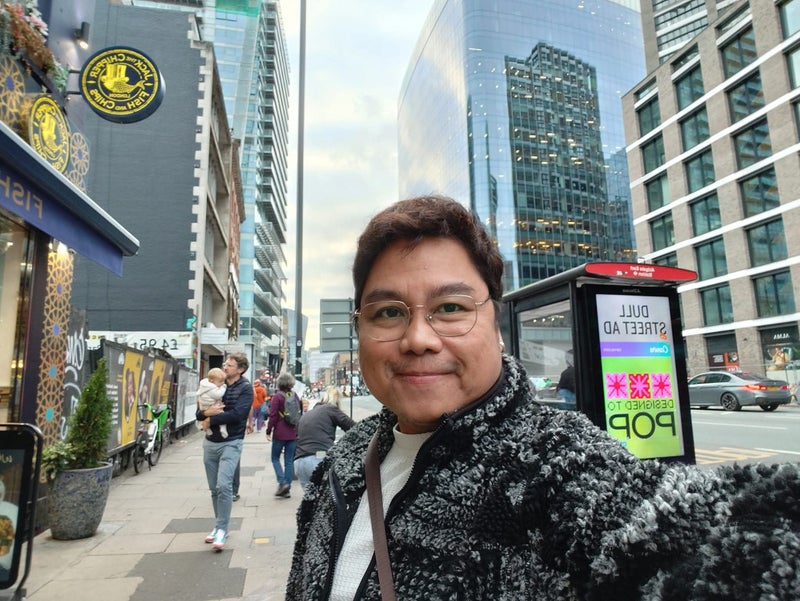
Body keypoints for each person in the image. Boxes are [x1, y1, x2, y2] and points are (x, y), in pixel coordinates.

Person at [285, 195, 800, 600]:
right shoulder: (347, 459)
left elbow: (708, 546)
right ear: (360, 330)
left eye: (451, 307)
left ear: (496, 326)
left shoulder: (554, 466)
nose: (418, 338)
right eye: (389, 313)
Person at [196, 352, 252, 551]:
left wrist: (210, 419)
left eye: (229, 365)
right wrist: (205, 414)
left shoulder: (245, 388)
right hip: (210, 443)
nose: (225, 367)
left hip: (232, 442)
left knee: (223, 485)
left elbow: (238, 415)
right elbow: (199, 412)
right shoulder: (214, 384)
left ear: (240, 369)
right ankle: (219, 526)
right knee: (214, 488)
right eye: (225, 364)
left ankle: (222, 529)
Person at [293, 385, 356, 490]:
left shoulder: (308, 414)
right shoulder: (330, 409)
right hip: (317, 458)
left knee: (311, 498)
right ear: (336, 400)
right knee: (331, 495)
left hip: (299, 462)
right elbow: (353, 427)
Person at [265, 372, 299, 498]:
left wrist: (268, 430)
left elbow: (273, 416)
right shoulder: (295, 395)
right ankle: (287, 487)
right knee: (289, 461)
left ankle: (282, 482)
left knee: (275, 458)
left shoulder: (277, 397)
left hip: (280, 432)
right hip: (293, 432)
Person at [196, 367, 227, 438]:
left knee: (205, 417)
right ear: (212, 381)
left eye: (223, 381)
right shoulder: (211, 387)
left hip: (203, 406)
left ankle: (206, 428)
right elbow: (218, 395)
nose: (223, 383)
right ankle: (223, 428)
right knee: (221, 414)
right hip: (209, 404)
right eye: (220, 381)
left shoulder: (205, 385)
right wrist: (224, 387)